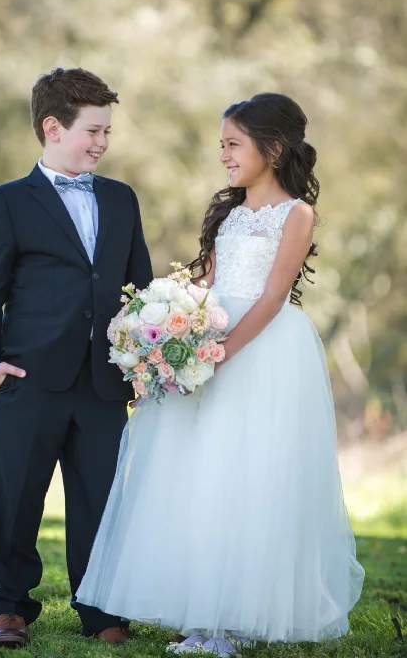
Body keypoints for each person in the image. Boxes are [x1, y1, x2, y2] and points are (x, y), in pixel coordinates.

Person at [76, 93, 364, 655]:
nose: (225, 156)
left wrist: (221, 353)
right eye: (222, 146)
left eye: (234, 145)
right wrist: (162, 331)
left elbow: (275, 296)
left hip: (260, 351)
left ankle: (231, 618)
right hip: (210, 343)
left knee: (247, 477)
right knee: (198, 475)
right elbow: (201, 280)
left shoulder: (295, 214)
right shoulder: (229, 213)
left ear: (273, 149)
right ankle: (200, 610)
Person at [0, 67, 152, 647]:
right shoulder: (9, 202)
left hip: (103, 381)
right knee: (18, 492)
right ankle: (10, 605)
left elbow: (137, 287)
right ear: (53, 127)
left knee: (100, 497)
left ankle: (100, 610)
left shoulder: (121, 199)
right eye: (92, 131)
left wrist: (144, 360)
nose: (101, 142)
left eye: (107, 133)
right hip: (29, 376)